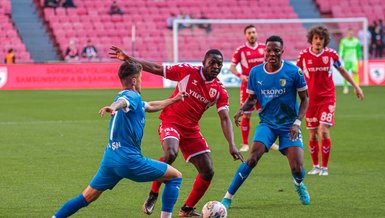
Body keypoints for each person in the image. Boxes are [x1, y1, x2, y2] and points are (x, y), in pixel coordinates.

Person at [109, 46, 244, 217]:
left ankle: (186, 209)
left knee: (208, 171)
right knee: (171, 153)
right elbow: (157, 69)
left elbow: (224, 118)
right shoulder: (187, 71)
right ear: (204, 63)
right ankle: (153, 193)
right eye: (212, 63)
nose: (216, 67)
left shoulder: (219, 91)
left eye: (219, 64)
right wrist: (129, 58)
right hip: (170, 121)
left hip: (192, 130)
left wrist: (232, 144)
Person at [52, 61, 187, 218]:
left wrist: (174, 99)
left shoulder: (131, 99)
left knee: (86, 197)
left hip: (110, 158)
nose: (141, 81)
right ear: (134, 80)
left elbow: (150, 106)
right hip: (129, 159)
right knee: (175, 176)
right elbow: (123, 102)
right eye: (141, 78)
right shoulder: (131, 95)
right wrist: (113, 107)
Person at [221, 35, 310, 209]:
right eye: (269, 50)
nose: (272, 54)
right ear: (265, 51)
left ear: (282, 52)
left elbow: (305, 99)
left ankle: (299, 184)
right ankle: (228, 197)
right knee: (252, 158)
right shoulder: (255, 72)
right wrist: (242, 109)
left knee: (297, 168)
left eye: (276, 51)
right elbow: (252, 99)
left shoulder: (294, 72)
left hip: (289, 126)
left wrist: (297, 122)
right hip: (267, 124)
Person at [296, 25, 364, 176]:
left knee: (323, 130)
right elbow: (297, 76)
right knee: (312, 134)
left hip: (327, 98)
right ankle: (315, 166)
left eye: (321, 38)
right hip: (309, 100)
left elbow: (343, 71)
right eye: (316, 38)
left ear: (325, 40)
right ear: (311, 40)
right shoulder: (303, 56)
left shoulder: (332, 55)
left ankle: (325, 167)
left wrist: (356, 87)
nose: (318, 41)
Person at [230, 25, 280, 152]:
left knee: (267, 113)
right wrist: (240, 75)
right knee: (246, 114)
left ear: (256, 34)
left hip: (264, 86)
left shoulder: (264, 48)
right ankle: (245, 144)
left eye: (253, 32)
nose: (252, 34)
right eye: (249, 33)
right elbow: (232, 66)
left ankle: (271, 141)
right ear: (245, 35)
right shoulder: (241, 50)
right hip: (248, 87)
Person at [339, 28, 362, 94]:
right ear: (347, 33)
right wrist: (340, 58)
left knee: (355, 73)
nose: (350, 34)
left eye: (351, 33)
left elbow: (358, 51)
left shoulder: (356, 41)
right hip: (346, 60)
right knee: (346, 74)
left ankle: (356, 88)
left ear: (353, 34)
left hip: (354, 60)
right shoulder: (343, 41)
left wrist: (360, 59)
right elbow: (341, 50)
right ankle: (346, 87)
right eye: (349, 33)